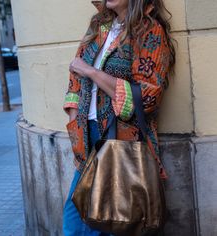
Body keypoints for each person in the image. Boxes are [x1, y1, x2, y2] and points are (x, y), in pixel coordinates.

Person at [63, 0, 175, 235]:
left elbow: (148, 96)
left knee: (111, 219)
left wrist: (92, 72)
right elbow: (75, 74)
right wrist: (75, 128)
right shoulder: (99, 25)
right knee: (74, 218)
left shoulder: (149, 31)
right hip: (87, 136)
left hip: (122, 141)